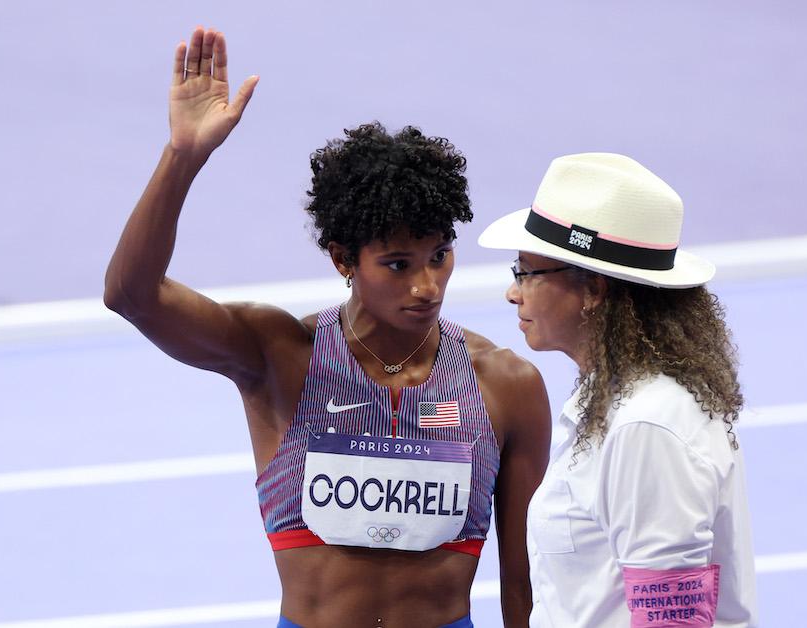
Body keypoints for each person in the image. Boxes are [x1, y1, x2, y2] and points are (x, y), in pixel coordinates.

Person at [103, 25, 551, 628]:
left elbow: (527, 583)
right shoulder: (279, 355)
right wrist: (183, 157)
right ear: (344, 259)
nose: (427, 285)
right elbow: (132, 295)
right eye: (397, 264)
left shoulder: (507, 385)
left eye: (439, 255)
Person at [477, 153, 758, 627]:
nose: (513, 292)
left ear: (594, 290)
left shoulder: (647, 426)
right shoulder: (612, 402)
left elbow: (671, 622)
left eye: (526, 272)